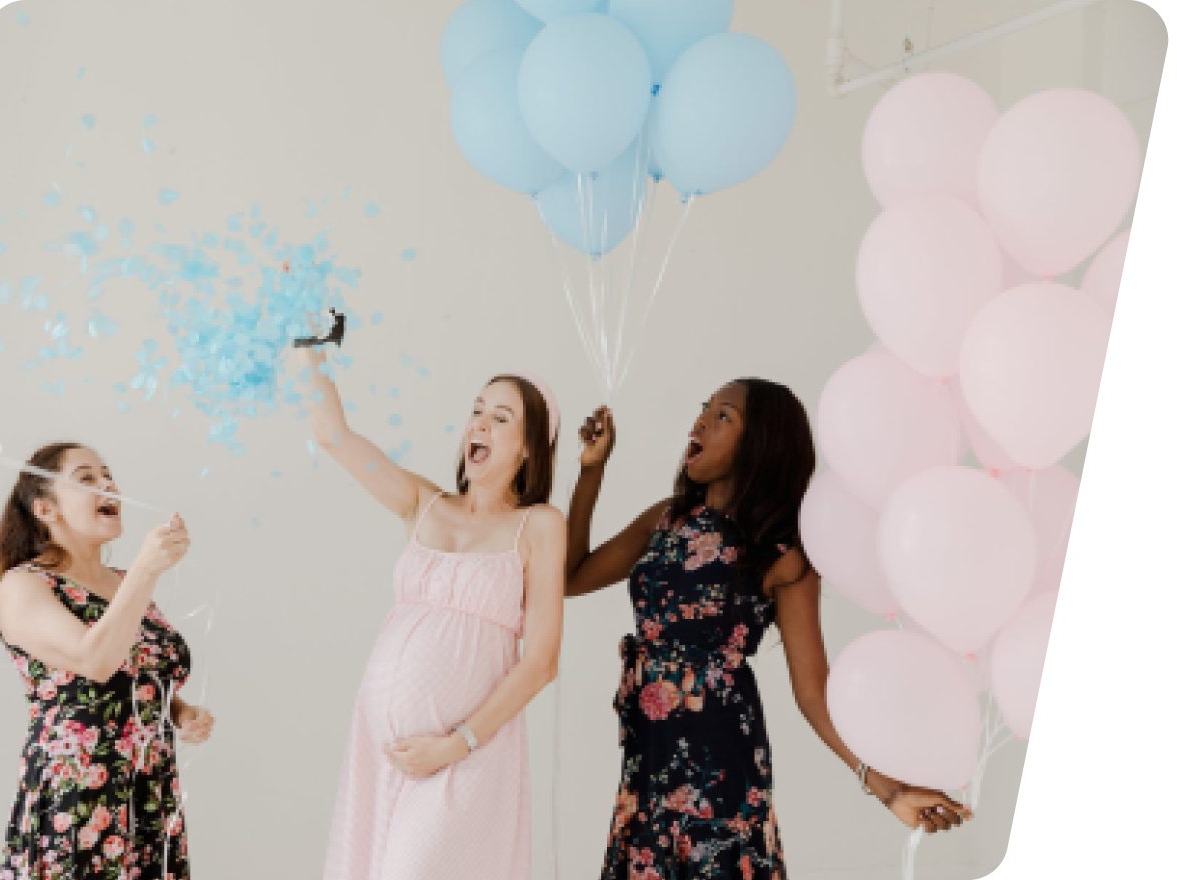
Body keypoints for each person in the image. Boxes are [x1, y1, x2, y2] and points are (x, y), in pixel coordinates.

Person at [566, 381, 972, 880]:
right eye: (704, 409)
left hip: (719, 766)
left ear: (760, 444)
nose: (700, 421)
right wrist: (591, 471)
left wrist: (888, 787)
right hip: (648, 758)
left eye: (723, 416)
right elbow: (569, 577)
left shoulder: (782, 553)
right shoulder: (666, 519)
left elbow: (813, 690)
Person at [296, 341, 566, 880]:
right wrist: (307, 347)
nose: (479, 424)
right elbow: (333, 436)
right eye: (477, 410)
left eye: (501, 418)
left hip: (466, 756)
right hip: (381, 752)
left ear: (529, 449)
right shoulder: (423, 503)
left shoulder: (538, 526)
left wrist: (455, 745)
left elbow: (541, 662)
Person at [0, 442, 215, 879]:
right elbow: (93, 660)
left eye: (108, 475)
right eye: (86, 479)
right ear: (45, 510)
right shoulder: (23, 587)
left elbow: (134, 676)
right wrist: (147, 570)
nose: (108, 485)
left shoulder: (123, 582)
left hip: (149, 798)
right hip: (79, 798)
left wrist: (178, 711)